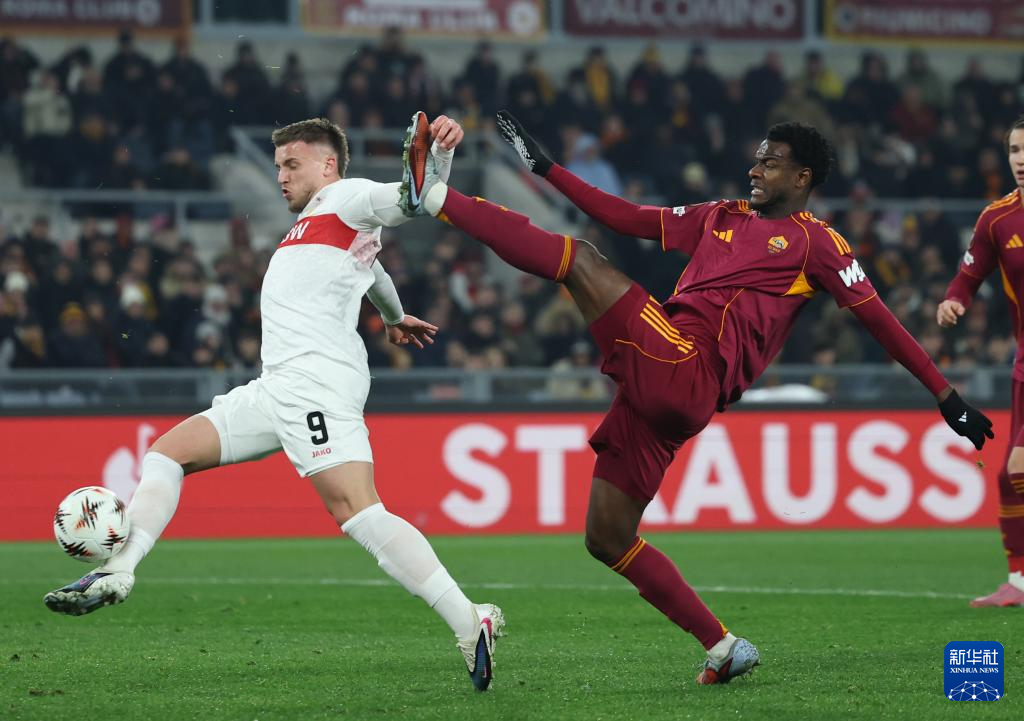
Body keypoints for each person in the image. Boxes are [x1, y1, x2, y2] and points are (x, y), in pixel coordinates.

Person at [398, 110, 994, 684]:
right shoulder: (720, 216)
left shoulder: (819, 244)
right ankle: (724, 646)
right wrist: (546, 168)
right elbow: (626, 216)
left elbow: (882, 322)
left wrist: (947, 397)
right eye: (757, 159)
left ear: (802, 178)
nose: (755, 170)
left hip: (688, 366)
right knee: (607, 537)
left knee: (580, 260)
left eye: (771, 163)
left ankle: (436, 197)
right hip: (666, 386)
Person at [44, 116, 505, 691]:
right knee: (167, 453)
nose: (281, 176)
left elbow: (410, 201)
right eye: (278, 166)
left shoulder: (347, 195)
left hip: (316, 383)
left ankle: (469, 620)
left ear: (328, 165)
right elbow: (375, 267)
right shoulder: (316, 223)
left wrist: (437, 162)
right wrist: (393, 316)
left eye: (292, 164)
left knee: (358, 512)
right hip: (275, 386)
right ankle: (120, 569)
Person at [937, 114, 1024, 607]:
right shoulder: (997, 218)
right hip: (1023, 363)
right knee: (1007, 477)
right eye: (1014, 150)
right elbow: (969, 274)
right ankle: (1019, 582)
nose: (1021, 160)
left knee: (1019, 467)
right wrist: (955, 300)